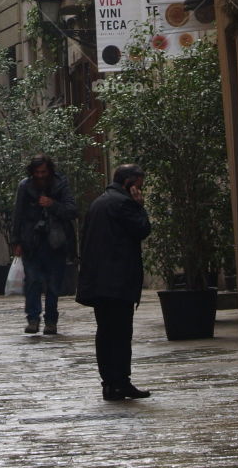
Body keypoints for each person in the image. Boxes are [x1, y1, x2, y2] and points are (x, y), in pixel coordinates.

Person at [76, 164, 152, 400]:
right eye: (139, 186)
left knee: (106, 332)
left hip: (100, 282)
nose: (140, 191)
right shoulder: (124, 204)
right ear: (129, 184)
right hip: (117, 281)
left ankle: (110, 383)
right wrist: (140, 207)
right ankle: (119, 381)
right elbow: (142, 229)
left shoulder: (99, 203)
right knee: (119, 333)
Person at [10, 154, 77, 335]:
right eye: (37, 172)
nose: (40, 176)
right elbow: (18, 215)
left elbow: (72, 210)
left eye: (44, 172)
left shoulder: (61, 184)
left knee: (54, 284)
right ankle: (33, 319)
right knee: (32, 281)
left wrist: (52, 204)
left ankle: (51, 321)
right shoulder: (25, 187)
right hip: (31, 242)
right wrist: (16, 241)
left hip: (55, 243)